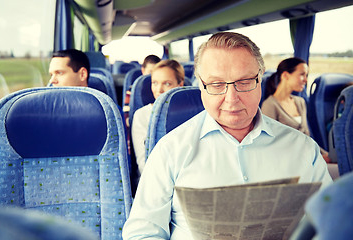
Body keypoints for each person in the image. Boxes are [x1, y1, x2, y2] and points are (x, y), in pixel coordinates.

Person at [122, 32, 332, 239]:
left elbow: (330, 225)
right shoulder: (170, 150)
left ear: (260, 79)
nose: (231, 98)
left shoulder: (303, 149)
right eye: (216, 85)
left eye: (244, 82)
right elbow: (142, 233)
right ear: (201, 86)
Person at [261, 58, 330, 162]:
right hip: (291, 161)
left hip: (310, 157)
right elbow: (271, 145)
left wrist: (325, 155)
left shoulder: (300, 102)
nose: (306, 80)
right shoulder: (270, 105)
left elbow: (307, 139)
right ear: (285, 76)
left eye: (306, 75)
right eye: (302, 74)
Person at [131, 59, 184, 176]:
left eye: (167, 84)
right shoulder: (142, 115)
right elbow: (144, 164)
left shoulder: (192, 113)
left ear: (180, 84)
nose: (159, 89)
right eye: (154, 83)